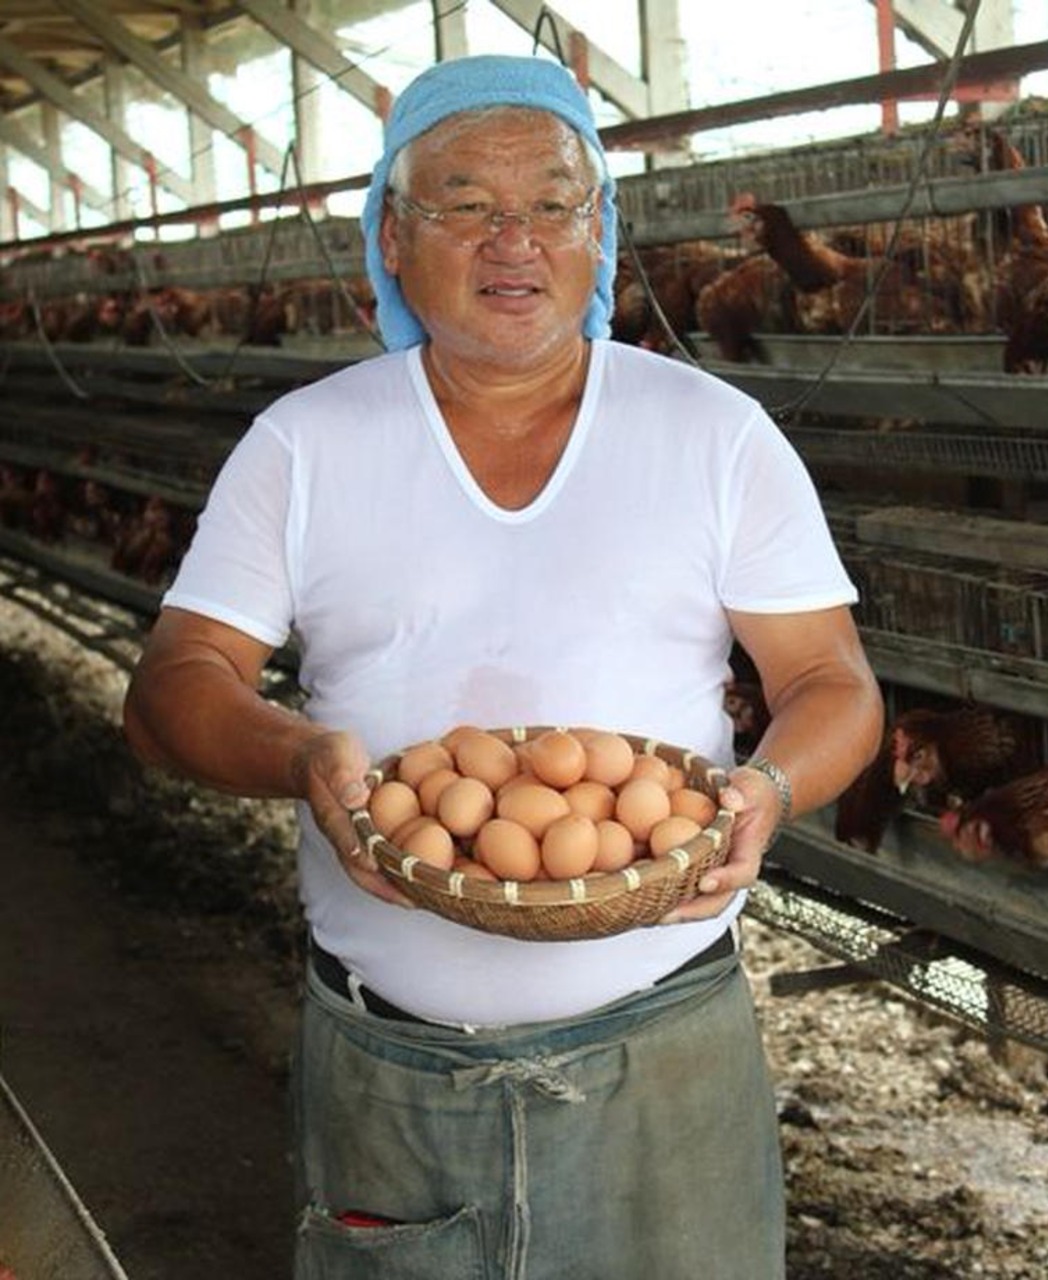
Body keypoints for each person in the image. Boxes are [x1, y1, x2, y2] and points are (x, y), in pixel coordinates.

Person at [122, 53, 883, 1280]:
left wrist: (770, 788)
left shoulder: (712, 433)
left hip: (664, 1058)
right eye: (464, 204)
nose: (512, 240)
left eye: (552, 203)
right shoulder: (305, 445)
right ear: (392, 238)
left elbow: (830, 683)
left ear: (600, 232)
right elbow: (170, 689)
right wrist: (301, 755)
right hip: (391, 1070)